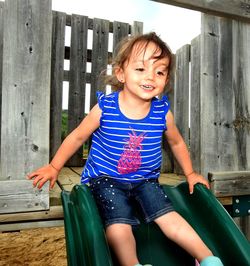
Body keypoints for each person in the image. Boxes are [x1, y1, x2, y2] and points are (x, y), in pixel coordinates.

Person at [28, 32, 223, 266]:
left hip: (146, 180)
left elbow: (177, 142)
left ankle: (208, 257)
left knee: (168, 217)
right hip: (106, 179)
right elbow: (78, 136)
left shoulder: (162, 112)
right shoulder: (106, 108)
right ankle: (132, 264)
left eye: (159, 71)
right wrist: (54, 166)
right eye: (140, 69)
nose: (150, 76)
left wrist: (190, 173)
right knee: (118, 223)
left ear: (166, 79)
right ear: (121, 73)